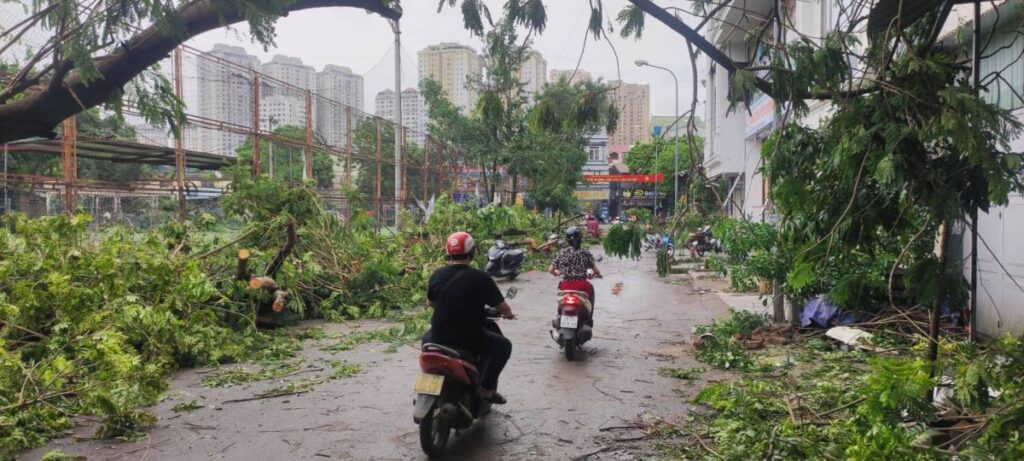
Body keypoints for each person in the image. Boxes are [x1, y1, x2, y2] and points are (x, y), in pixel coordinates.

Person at [425, 231, 515, 404]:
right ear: (472, 252)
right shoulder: (480, 278)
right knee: (504, 346)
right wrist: (509, 315)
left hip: (438, 336)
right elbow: (503, 308)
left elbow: (430, 303)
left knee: (425, 342)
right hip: (468, 338)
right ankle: (487, 390)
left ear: (449, 252)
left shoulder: (437, 274)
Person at [549, 227, 603, 325]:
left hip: (565, 285)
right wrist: (598, 274)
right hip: (582, 286)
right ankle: (589, 318)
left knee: (560, 299)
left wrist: (557, 273)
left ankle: (559, 314)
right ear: (581, 239)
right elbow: (596, 270)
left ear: (567, 240)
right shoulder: (585, 253)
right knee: (590, 290)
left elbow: (550, 270)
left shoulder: (561, 253)